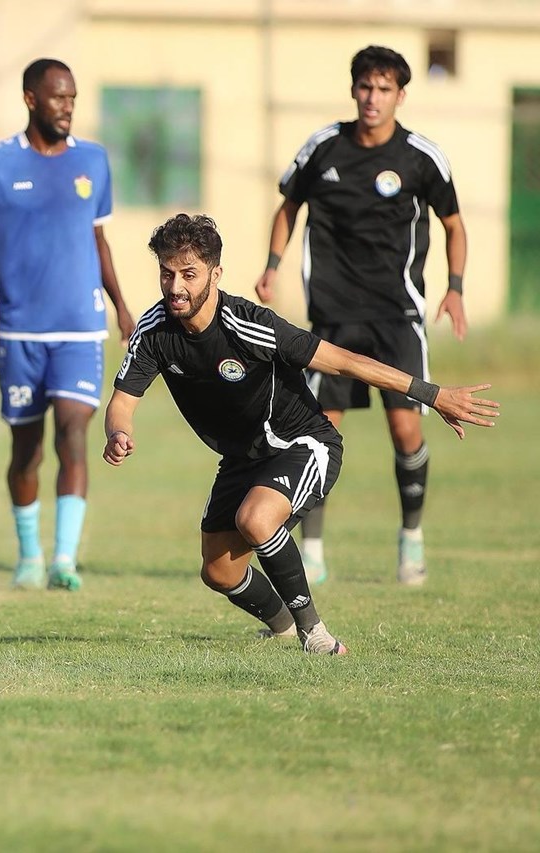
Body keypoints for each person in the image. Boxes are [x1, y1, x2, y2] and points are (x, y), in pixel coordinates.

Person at [104, 214, 497, 654]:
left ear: (215, 274)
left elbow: (346, 362)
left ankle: (315, 631)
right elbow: (121, 403)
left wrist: (432, 394)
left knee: (256, 519)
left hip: (302, 442)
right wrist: (119, 433)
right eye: (167, 273)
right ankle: (282, 625)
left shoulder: (249, 324)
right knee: (219, 573)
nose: (176, 287)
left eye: (189, 274)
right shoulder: (154, 330)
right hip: (241, 457)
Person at [254, 45, 468, 586]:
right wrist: (272, 267)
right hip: (330, 319)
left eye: (384, 89)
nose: (373, 98)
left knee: (406, 432)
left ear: (400, 95)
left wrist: (455, 288)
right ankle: (314, 550)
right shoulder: (323, 147)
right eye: (365, 87)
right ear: (353, 90)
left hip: (397, 317)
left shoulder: (422, 157)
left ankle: (411, 542)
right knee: (318, 435)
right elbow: (288, 207)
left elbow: (455, 224)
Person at [0, 58, 135, 592]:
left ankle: (64, 560)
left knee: (74, 433)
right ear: (31, 99)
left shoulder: (94, 162)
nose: (68, 107)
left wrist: (121, 306)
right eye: (58, 98)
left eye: (73, 98)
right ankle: (29, 555)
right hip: (20, 333)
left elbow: (99, 240)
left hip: (80, 327)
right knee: (25, 450)